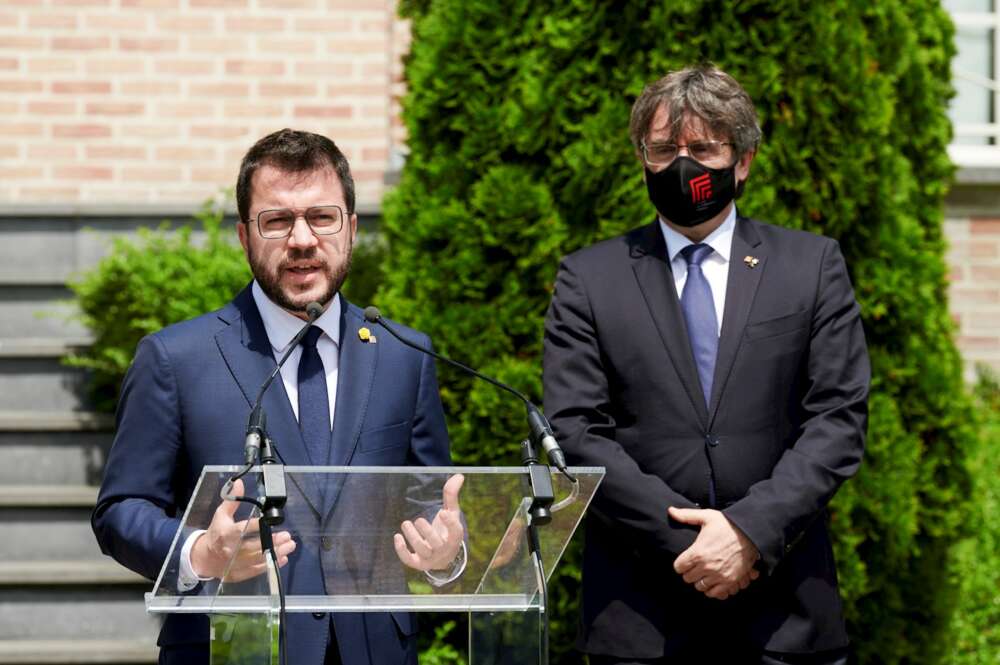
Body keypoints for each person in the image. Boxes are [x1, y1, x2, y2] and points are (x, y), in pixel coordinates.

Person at [93, 129, 464, 665]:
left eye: (322, 217)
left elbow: (430, 501)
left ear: (352, 229)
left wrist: (444, 557)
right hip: (232, 647)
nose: (303, 240)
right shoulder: (176, 358)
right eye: (277, 220)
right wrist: (200, 551)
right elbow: (120, 511)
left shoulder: (403, 355)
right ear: (245, 237)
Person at [542, 66, 870, 664]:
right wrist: (693, 544)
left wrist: (748, 533)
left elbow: (838, 419)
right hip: (642, 617)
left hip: (787, 611)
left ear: (742, 160)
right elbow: (577, 433)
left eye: (703, 148)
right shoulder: (588, 279)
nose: (682, 166)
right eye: (663, 150)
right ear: (642, 158)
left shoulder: (811, 266)